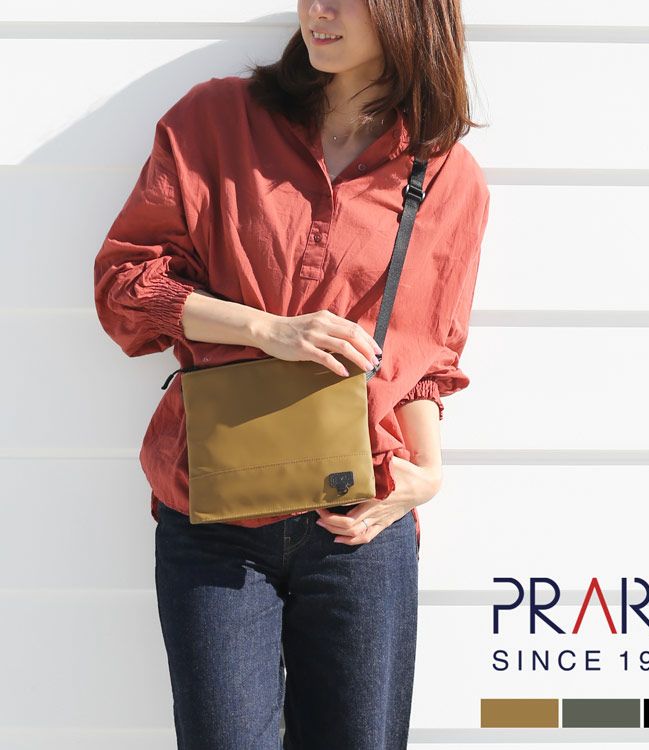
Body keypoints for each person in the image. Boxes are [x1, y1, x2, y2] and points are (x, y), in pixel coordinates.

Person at [93, 1, 490, 747]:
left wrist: (428, 473)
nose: (319, 10)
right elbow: (126, 287)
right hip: (214, 513)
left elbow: (427, 358)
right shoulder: (216, 121)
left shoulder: (443, 174)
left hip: (361, 518)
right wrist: (269, 330)